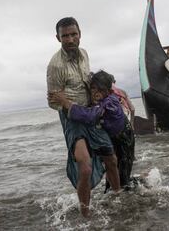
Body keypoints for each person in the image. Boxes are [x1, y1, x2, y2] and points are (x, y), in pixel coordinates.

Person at [46, 17, 120, 218]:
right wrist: (70, 104)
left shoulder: (85, 54)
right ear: (58, 38)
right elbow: (53, 102)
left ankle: (118, 197)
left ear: (80, 34)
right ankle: (85, 215)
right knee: (85, 167)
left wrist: (108, 95)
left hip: (91, 112)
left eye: (73, 34)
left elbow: (90, 81)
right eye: (65, 36)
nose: (70, 39)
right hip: (73, 119)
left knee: (111, 159)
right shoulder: (55, 66)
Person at [49, 70, 136, 191]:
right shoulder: (100, 101)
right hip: (113, 137)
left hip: (124, 138)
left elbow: (90, 115)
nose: (96, 93)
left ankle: (129, 194)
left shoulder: (110, 102)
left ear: (109, 91)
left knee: (123, 172)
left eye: (100, 90)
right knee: (111, 170)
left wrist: (66, 103)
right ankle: (114, 194)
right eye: (93, 89)